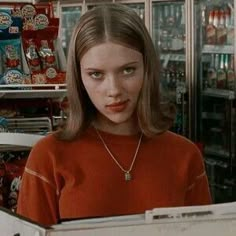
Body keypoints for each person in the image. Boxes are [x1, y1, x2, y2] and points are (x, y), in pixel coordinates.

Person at [17, 3, 211, 226]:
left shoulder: (185, 156)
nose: (114, 90)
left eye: (128, 70)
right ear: (79, 78)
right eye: (96, 74)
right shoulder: (48, 157)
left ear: (147, 68)